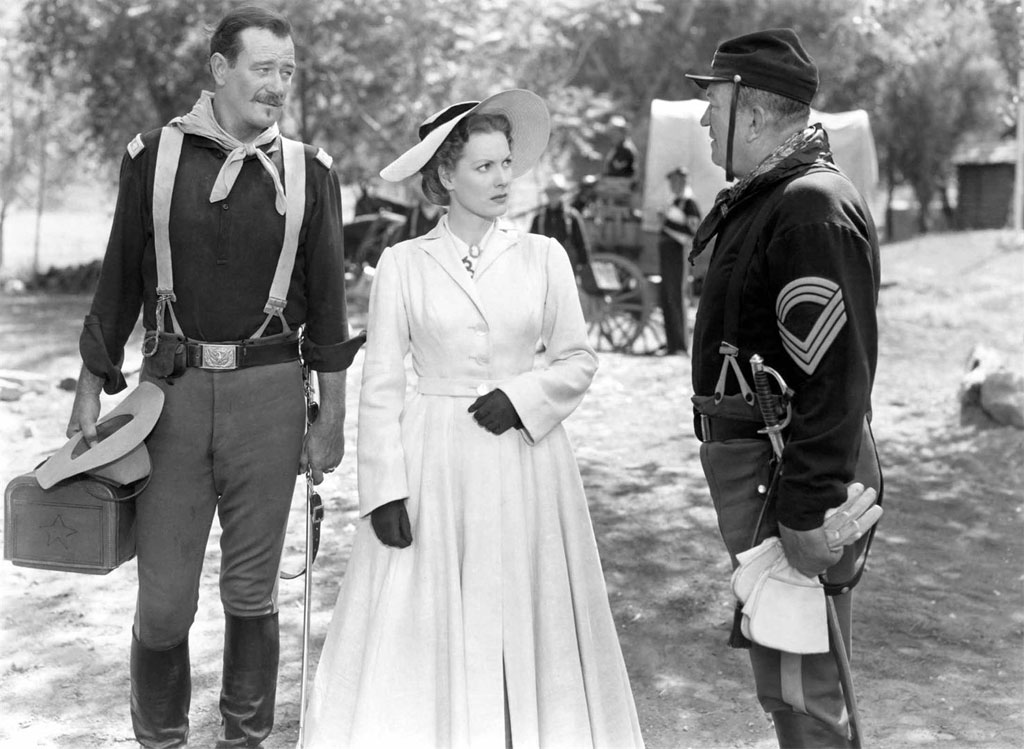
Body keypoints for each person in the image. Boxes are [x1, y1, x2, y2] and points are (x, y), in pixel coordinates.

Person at [302, 89, 644, 748]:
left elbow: (577, 360)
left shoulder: (544, 257)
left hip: (525, 460)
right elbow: (380, 385)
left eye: (505, 164)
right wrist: (384, 491)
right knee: (425, 618)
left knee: (526, 607)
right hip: (434, 459)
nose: (501, 180)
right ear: (444, 178)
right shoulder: (403, 265)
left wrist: (521, 397)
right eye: (484, 167)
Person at [64, 7, 357, 747]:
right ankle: (160, 737)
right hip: (171, 398)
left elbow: (328, 307)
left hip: (271, 399)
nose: (278, 86)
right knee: (163, 598)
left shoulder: (311, 172)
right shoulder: (153, 156)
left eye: (288, 73)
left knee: (252, 591)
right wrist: (90, 386)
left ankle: (244, 737)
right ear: (220, 69)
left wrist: (332, 420)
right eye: (264, 69)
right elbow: (117, 282)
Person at [685, 29, 883, 747]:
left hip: (786, 474)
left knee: (805, 686)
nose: (706, 116)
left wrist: (805, 506)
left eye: (714, 100)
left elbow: (836, 378)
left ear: (756, 112)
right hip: (761, 470)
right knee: (783, 674)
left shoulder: (809, 206)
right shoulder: (774, 198)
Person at [656, 167, 702, 354]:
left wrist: (666, 224)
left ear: (684, 182)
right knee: (667, 297)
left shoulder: (689, 203)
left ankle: (681, 345)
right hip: (667, 253)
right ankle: (671, 343)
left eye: (676, 182)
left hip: (678, 253)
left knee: (676, 296)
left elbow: (691, 233)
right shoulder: (674, 201)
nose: (673, 185)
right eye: (671, 182)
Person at [529, 173, 587, 268]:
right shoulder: (538, 218)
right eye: (550, 192)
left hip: (567, 268)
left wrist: (582, 266)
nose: (553, 196)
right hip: (545, 269)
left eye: (556, 192)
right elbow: (531, 246)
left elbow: (581, 245)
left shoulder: (572, 217)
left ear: (562, 193)